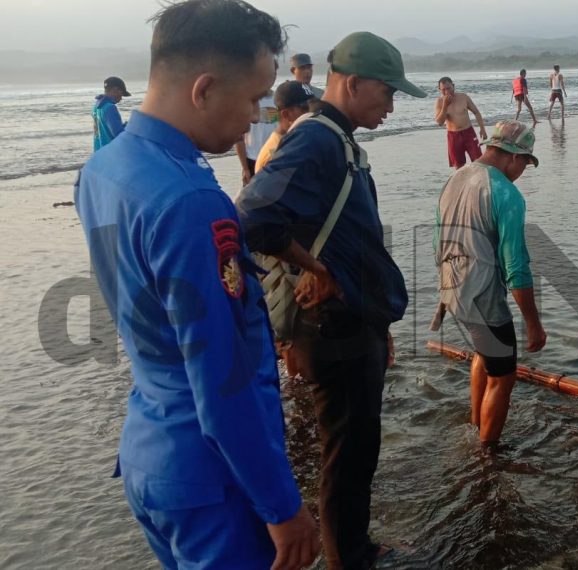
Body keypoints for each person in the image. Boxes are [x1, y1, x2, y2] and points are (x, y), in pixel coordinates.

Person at [73, 1, 320, 569]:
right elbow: (222, 380)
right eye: (254, 97)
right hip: (215, 478)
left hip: (151, 452)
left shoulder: (104, 169)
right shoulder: (191, 201)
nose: (255, 116)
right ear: (204, 89)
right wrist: (283, 507)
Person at [238, 31, 426, 570]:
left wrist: (378, 318)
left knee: (357, 448)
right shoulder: (318, 138)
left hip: (353, 322)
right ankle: (349, 559)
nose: (391, 105)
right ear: (354, 82)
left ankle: (356, 548)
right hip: (331, 327)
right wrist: (316, 267)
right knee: (346, 453)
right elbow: (252, 218)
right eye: (387, 92)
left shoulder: (340, 140)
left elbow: (346, 236)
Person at [435, 120, 547, 446]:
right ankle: (488, 455)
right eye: (525, 162)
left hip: (453, 288)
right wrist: (533, 324)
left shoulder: (456, 178)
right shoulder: (506, 193)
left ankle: (476, 423)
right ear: (513, 156)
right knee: (504, 376)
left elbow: (438, 239)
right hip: (483, 297)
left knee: (484, 354)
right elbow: (517, 268)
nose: (523, 169)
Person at [254, 79, 315, 172]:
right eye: (305, 108)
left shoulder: (300, 139)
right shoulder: (274, 156)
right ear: (286, 115)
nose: (311, 112)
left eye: (313, 106)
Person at [435, 77, 487, 169]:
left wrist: (482, 129)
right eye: (443, 90)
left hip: (468, 133)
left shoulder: (463, 97)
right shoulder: (439, 102)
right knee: (458, 166)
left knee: (479, 163)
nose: (447, 92)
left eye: (448, 88)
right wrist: (445, 106)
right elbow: (439, 122)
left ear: (453, 86)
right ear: (439, 90)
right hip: (453, 136)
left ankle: (479, 182)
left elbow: (476, 112)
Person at [236, 86, 277, 184]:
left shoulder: (279, 99)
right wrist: (245, 168)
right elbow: (239, 138)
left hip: (274, 159)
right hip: (252, 159)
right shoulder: (247, 101)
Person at [92, 76, 130, 151]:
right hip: (111, 153)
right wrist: (130, 125)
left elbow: (104, 130)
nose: (121, 98)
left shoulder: (96, 106)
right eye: (121, 93)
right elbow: (118, 135)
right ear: (115, 89)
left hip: (99, 152)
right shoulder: (110, 108)